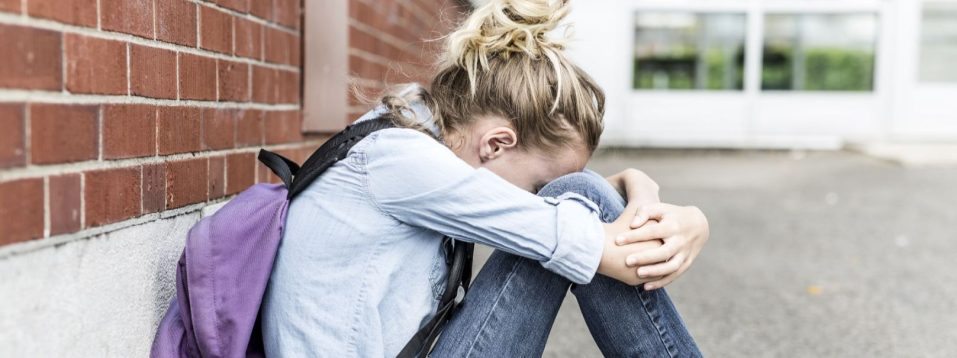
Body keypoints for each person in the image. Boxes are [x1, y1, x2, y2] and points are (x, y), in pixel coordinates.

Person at [260, 0, 709, 356]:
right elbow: (598, 245)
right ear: (495, 143)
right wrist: (684, 221)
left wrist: (642, 185)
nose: (540, 200)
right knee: (576, 203)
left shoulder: (405, 136)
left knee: (578, 198)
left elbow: (586, 211)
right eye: (538, 188)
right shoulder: (402, 162)